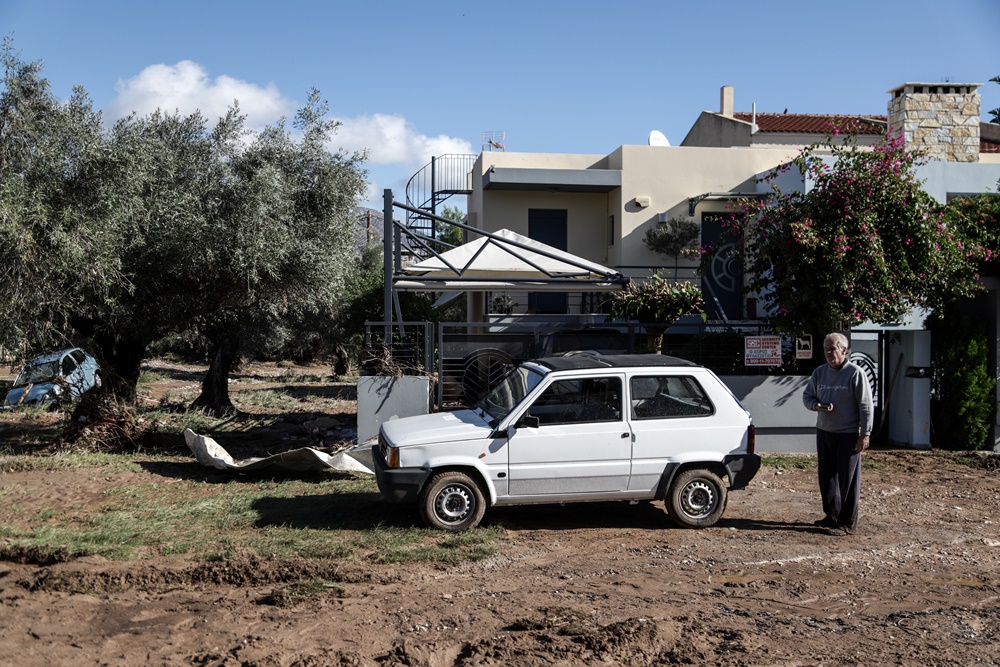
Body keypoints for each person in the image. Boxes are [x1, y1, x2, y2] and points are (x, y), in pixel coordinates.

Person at [802, 332, 874, 536]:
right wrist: (817, 406)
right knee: (827, 477)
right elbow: (807, 397)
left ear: (843, 350)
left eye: (832, 348)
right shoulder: (819, 373)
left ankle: (847, 523)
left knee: (848, 480)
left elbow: (866, 406)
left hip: (848, 434)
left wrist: (865, 433)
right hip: (825, 431)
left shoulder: (855, 373)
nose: (828, 352)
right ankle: (831, 516)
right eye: (825, 348)